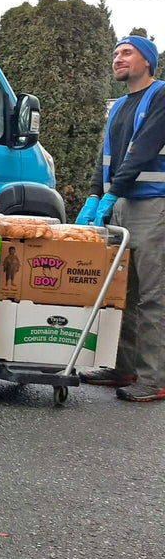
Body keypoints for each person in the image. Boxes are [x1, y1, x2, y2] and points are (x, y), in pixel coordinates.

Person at [76, 35, 165, 402]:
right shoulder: (118, 106)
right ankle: (123, 366)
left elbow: (143, 151)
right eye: (115, 53)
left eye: (127, 53)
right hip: (122, 204)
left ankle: (153, 377)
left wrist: (114, 192)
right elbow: (108, 155)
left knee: (152, 294)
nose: (118, 58)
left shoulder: (160, 96)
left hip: (152, 206)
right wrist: (96, 192)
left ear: (147, 61)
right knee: (122, 290)